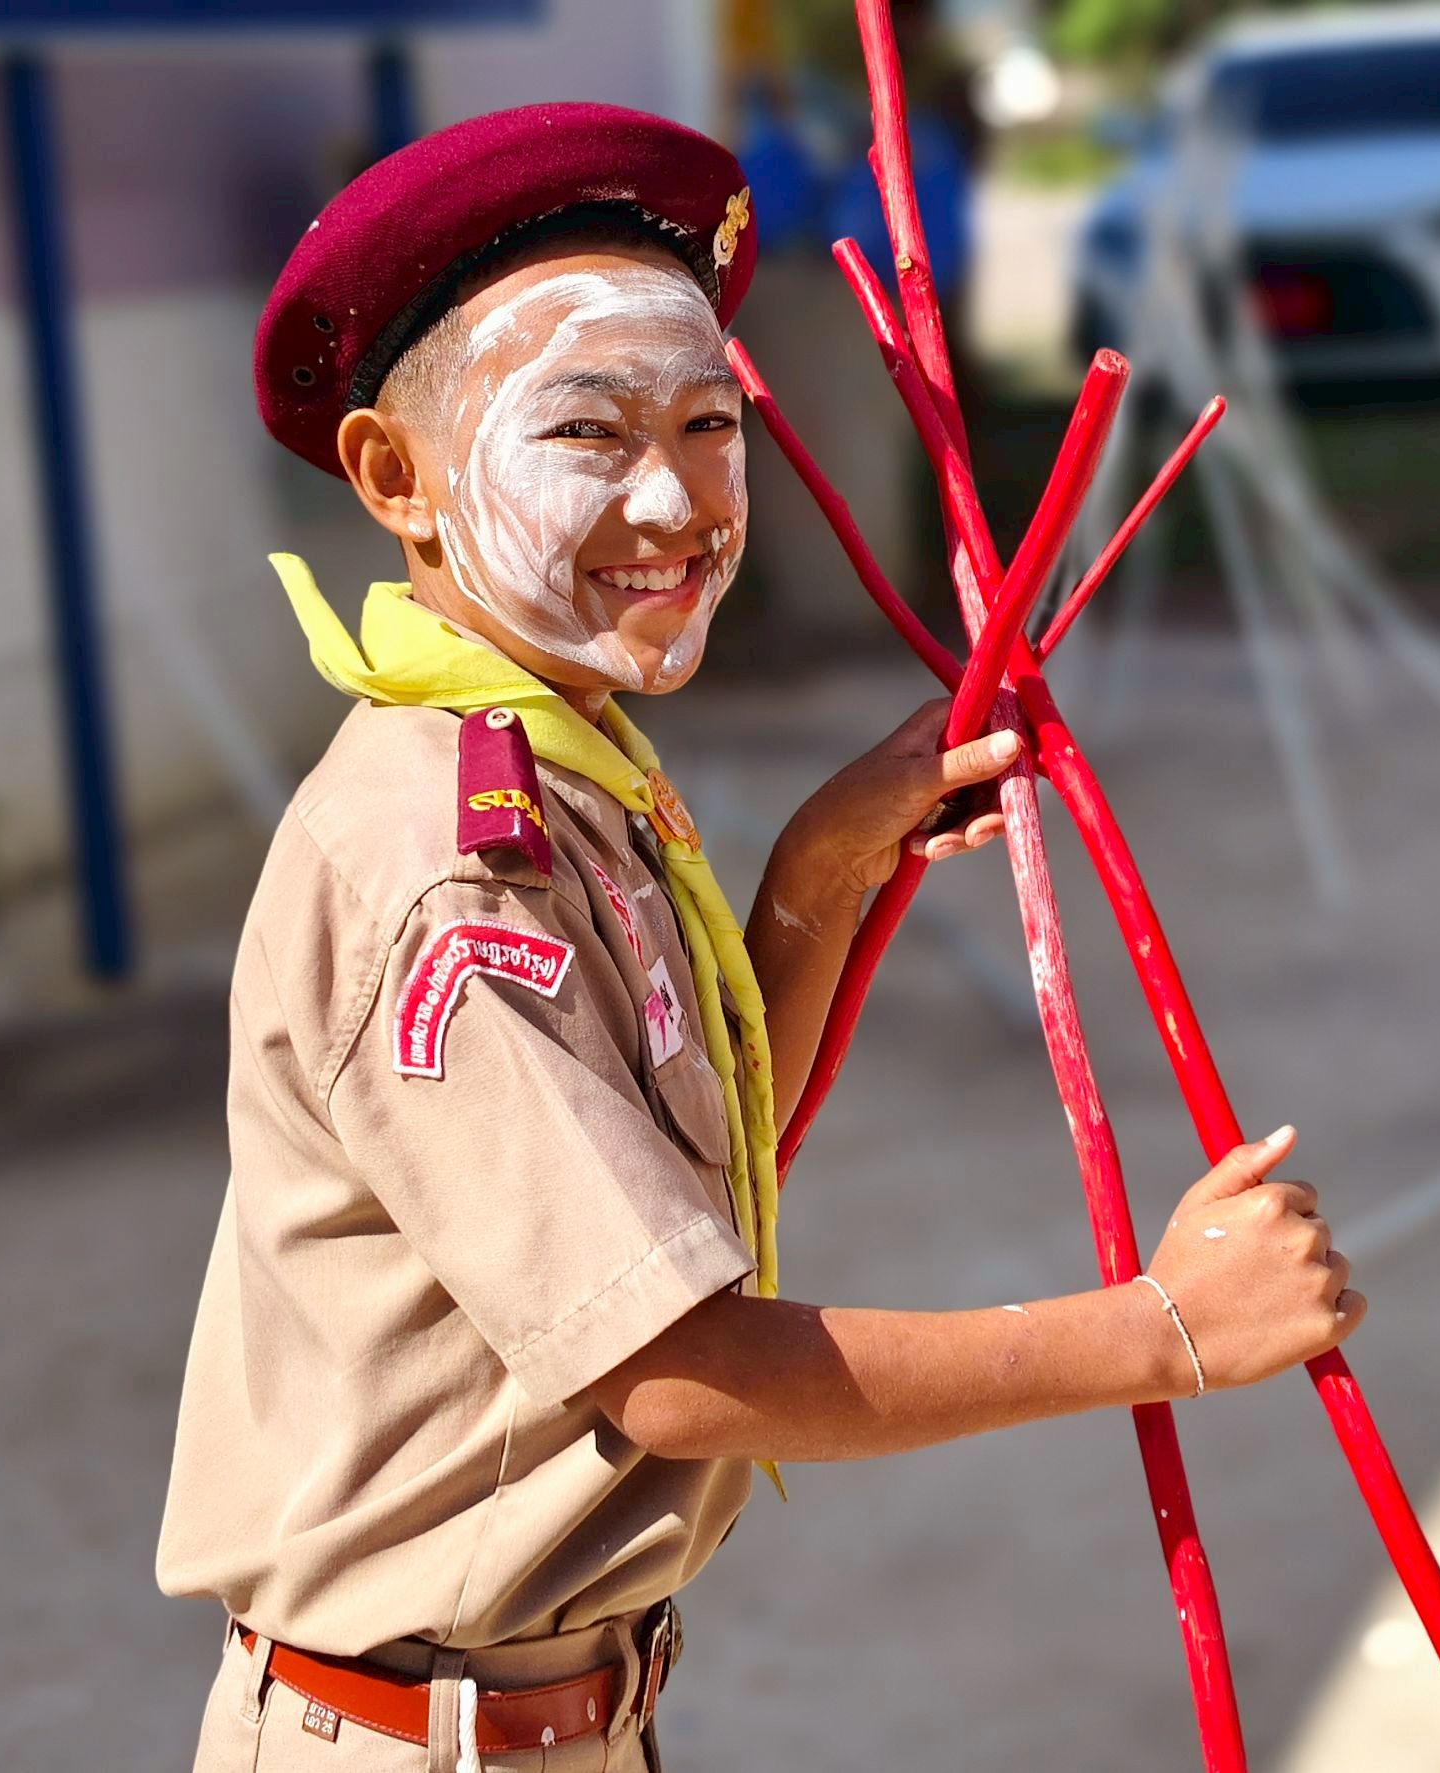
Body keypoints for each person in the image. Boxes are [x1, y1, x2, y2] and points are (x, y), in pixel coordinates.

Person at [157, 102, 1366, 1773]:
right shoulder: (446, 868)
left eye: (708, 421)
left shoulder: (562, 757)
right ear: (397, 479)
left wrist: (814, 872)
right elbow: (675, 1365)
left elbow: (682, 1177)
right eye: (584, 431)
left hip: (555, 1713)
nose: (671, 499)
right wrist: (1157, 1329)